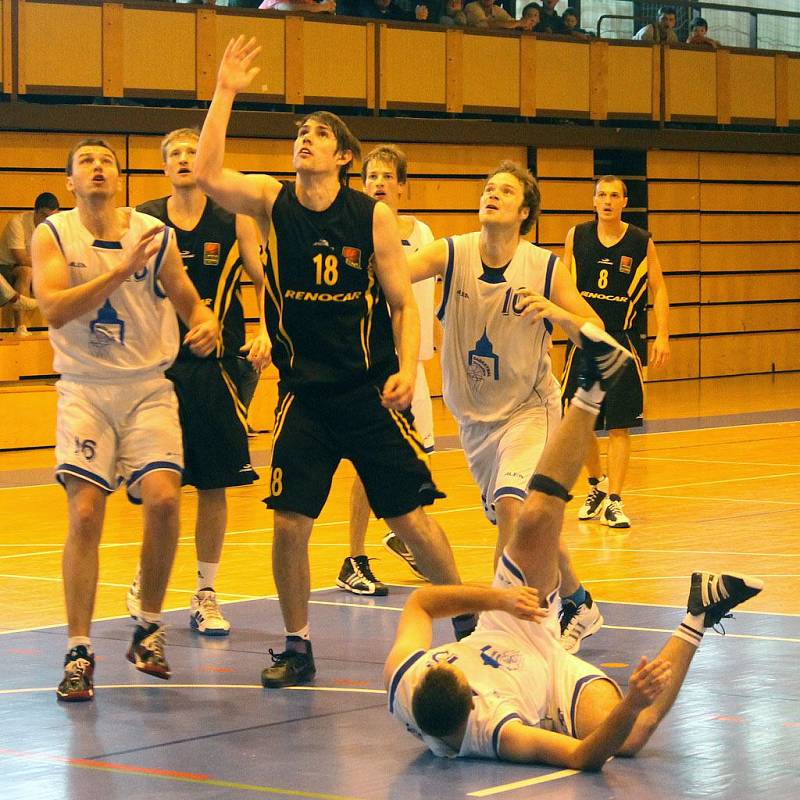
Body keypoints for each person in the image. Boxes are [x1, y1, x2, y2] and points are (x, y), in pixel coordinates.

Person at [195, 36, 471, 688]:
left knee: (410, 519)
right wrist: (226, 90)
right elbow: (208, 174)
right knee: (290, 522)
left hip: (369, 390)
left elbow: (404, 306)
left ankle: (469, 625)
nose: (305, 141)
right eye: (302, 134)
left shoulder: (371, 217)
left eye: (320, 135)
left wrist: (406, 368)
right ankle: (298, 645)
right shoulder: (271, 200)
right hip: (304, 395)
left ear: (344, 156)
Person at [385, 327, 764, 766]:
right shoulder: (495, 732)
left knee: (534, 517)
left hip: (507, 624)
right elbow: (584, 757)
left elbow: (420, 604)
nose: (445, 662)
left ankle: (593, 383)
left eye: (441, 662)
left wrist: (498, 599)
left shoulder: (405, 679)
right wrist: (632, 700)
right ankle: (700, 612)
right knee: (631, 734)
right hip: (552, 681)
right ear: (471, 700)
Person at [31, 138, 218, 702]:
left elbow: (188, 298)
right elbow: (53, 307)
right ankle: (78, 650)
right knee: (86, 512)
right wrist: (119, 274)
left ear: (120, 178)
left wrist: (205, 322)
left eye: (106, 161)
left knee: (164, 498)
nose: (97, 168)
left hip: (146, 387)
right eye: (85, 161)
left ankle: (148, 629)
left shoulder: (153, 234)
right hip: (86, 390)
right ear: (70, 182)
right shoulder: (54, 234)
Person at [406, 161, 605, 654]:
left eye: (505, 190)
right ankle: (579, 600)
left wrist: (556, 312)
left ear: (525, 211)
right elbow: (391, 272)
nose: (492, 193)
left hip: (529, 409)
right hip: (474, 421)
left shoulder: (543, 267)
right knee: (532, 520)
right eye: (488, 186)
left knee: (516, 508)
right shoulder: (451, 253)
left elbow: (595, 328)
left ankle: (511, 629)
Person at [126, 127, 270, 636]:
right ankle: (148, 575)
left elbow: (261, 279)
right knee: (157, 484)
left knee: (214, 483)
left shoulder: (234, 219)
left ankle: (205, 591)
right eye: (175, 154)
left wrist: (266, 330)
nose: (185, 159)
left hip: (217, 367)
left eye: (193, 151)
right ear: (164, 167)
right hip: (156, 365)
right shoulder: (143, 219)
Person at [336, 144, 437, 597]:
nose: (377, 183)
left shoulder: (423, 234)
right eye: (370, 176)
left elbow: (429, 301)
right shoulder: (355, 228)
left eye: (386, 176)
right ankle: (353, 557)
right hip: (373, 366)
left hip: (411, 366)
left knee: (415, 461)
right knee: (365, 464)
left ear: (402, 185)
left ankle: (402, 532)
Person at [561, 176, 670, 530]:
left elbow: (659, 288)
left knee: (620, 425)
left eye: (614, 195)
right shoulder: (576, 236)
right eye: (601, 194)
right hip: (584, 340)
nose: (607, 200)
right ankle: (597, 486)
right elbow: (561, 285)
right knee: (580, 426)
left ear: (625, 201)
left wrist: (663, 334)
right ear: (593, 201)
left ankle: (616, 500)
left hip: (622, 341)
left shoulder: (641, 241)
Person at [0, 192, 58, 334]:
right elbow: (20, 259)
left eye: (52, 216)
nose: (48, 220)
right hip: (7, 267)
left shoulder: (55, 227)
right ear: (35, 211)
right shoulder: (17, 223)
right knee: (26, 271)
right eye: (44, 215)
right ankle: (20, 326)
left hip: (36, 267)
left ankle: (62, 329)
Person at [464, 0, 534, 30]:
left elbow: (511, 22)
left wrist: (526, 24)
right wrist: (517, 23)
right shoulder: (472, 7)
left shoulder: (498, 10)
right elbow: (483, 25)